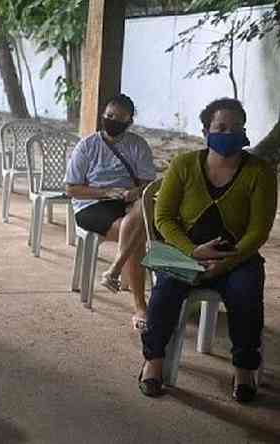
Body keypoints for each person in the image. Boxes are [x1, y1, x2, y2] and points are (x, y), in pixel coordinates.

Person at [138, 98, 276, 403]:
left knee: (246, 294)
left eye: (236, 127)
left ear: (244, 131)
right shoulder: (184, 165)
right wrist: (192, 251)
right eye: (220, 127)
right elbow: (163, 217)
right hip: (184, 254)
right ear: (206, 130)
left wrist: (225, 263)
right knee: (164, 294)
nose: (229, 133)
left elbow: (259, 230)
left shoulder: (260, 172)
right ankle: (153, 361)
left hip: (237, 258)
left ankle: (243, 370)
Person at [65, 94, 156, 330]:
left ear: (129, 121)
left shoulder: (138, 145)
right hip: (92, 205)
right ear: (103, 115)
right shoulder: (87, 146)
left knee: (140, 214)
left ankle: (114, 270)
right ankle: (140, 306)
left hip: (128, 202)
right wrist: (106, 192)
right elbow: (71, 189)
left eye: (120, 118)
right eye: (109, 116)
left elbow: (148, 185)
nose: (113, 121)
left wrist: (133, 192)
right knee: (137, 236)